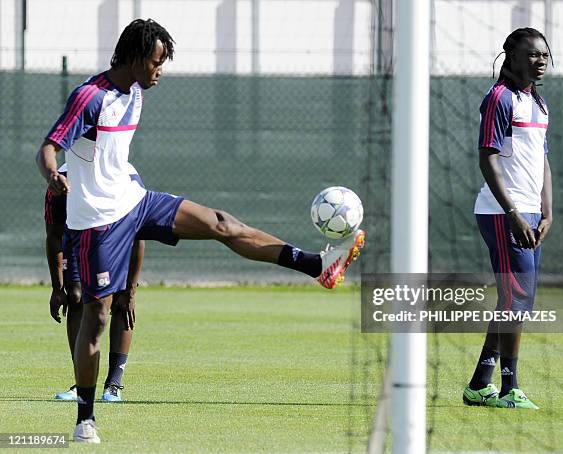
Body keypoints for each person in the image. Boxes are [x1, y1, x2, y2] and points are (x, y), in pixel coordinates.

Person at [35, 19, 365, 443]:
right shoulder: (89, 97)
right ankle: (85, 417)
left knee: (220, 223)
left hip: (136, 201)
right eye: (156, 62)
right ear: (135, 58)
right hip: (98, 224)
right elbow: (49, 147)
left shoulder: (134, 92)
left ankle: (317, 265)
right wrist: (52, 175)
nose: (160, 71)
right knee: (97, 316)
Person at [462, 27, 553, 410]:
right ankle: (509, 388)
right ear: (511, 56)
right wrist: (514, 211)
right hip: (502, 212)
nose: (541, 60)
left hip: (530, 213)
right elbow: (488, 157)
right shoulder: (499, 98)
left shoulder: (540, 103)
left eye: (545, 55)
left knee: (516, 300)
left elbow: (543, 161)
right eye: (533, 54)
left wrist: (548, 210)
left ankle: (480, 383)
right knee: (517, 299)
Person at [45, 163, 146, 402]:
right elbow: (54, 235)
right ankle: (82, 383)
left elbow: (138, 239)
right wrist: (57, 288)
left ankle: (113, 384)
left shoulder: (126, 180)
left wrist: (131, 290)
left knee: (120, 298)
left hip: (117, 237)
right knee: (77, 297)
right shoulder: (60, 183)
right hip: (79, 237)